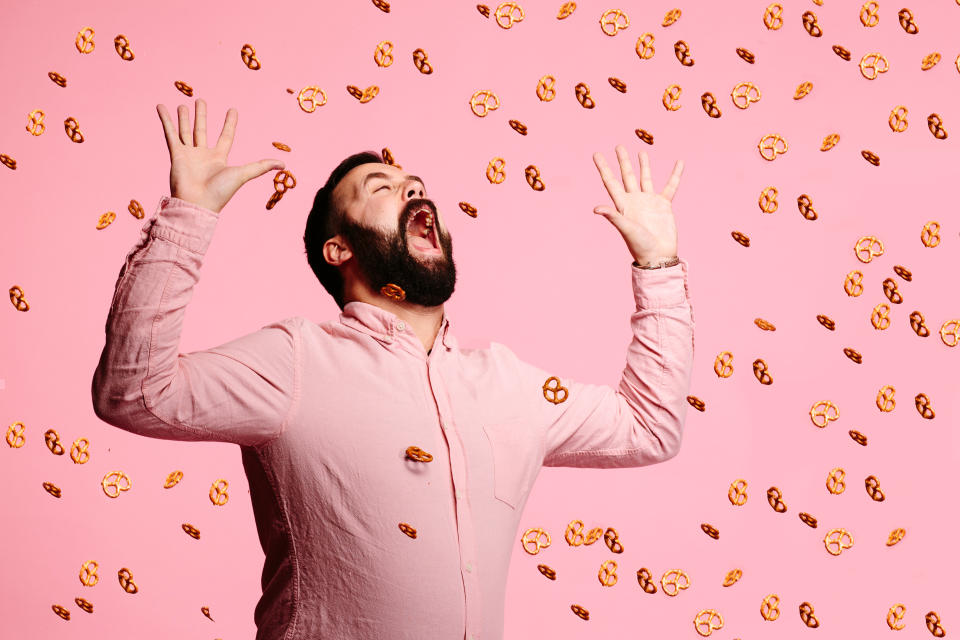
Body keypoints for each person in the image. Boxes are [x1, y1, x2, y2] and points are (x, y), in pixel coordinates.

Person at [91, 98, 695, 640]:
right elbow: (133, 393)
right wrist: (188, 216)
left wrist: (659, 264)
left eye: (416, 184)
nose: (412, 191)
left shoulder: (509, 383)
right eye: (381, 187)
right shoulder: (295, 361)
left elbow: (649, 428)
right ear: (340, 250)